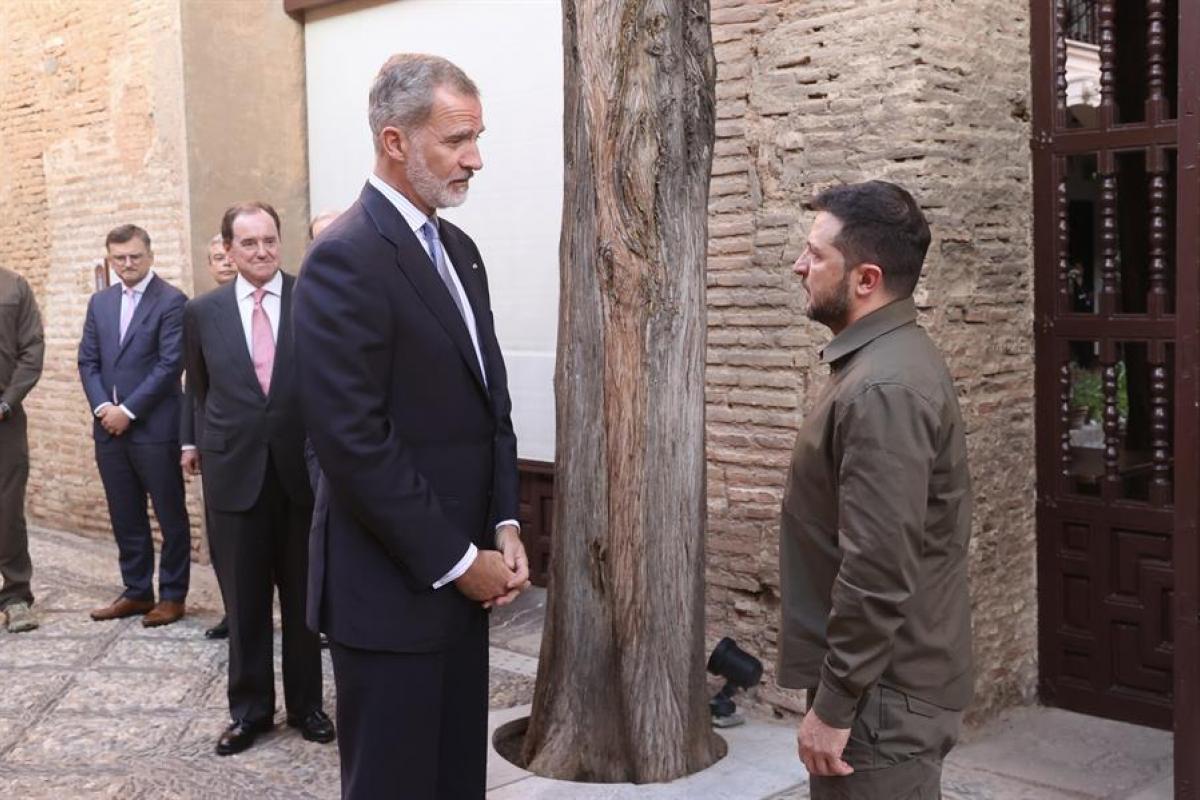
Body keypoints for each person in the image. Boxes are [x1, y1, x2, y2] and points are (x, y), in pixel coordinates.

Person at [293, 53, 530, 799]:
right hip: (391, 594)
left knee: (456, 781)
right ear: (395, 141)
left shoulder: (460, 251)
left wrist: (506, 520)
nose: (476, 159)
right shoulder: (345, 259)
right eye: (458, 140)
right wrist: (461, 563)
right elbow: (354, 441)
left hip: (465, 589)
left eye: (477, 137)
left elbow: (490, 400)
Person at [778, 181, 973, 798]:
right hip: (883, 690)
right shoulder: (881, 363)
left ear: (865, 279)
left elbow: (878, 569)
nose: (799, 265)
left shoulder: (882, 386)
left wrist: (835, 706)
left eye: (815, 254)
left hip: (881, 702)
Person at [183, 202, 332, 756]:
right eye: (249, 243)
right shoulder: (203, 313)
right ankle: (249, 713)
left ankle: (307, 706)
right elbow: (201, 389)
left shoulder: (309, 297)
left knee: (302, 601)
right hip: (235, 477)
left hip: (300, 476)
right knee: (244, 606)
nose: (263, 251)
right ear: (228, 248)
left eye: (270, 239)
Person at [78, 225, 191, 627]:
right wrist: (104, 407)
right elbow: (87, 361)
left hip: (155, 428)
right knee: (125, 514)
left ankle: (173, 595)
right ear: (110, 258)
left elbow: (169, 365)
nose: (127, 264)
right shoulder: (100, 303)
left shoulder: (173, 302)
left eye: (135, 256)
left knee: (169, 514)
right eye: (119, 257)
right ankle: (137, 590)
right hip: (108, 429)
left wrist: (127, 410)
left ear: (150, 255)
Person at [181, 234, 238, 641]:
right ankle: (235, 612)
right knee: (221, 537)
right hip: (218, 446)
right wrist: (190, 442)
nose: (225, 264)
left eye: (227, 256)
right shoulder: (200, 313)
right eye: (216, 258)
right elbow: (194, 388)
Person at [0, 266, 45, 633]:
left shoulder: (14, 286)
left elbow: (32, 348)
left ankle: (15, 596)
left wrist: (7, 402)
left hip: (4, 418)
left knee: (7, 507)